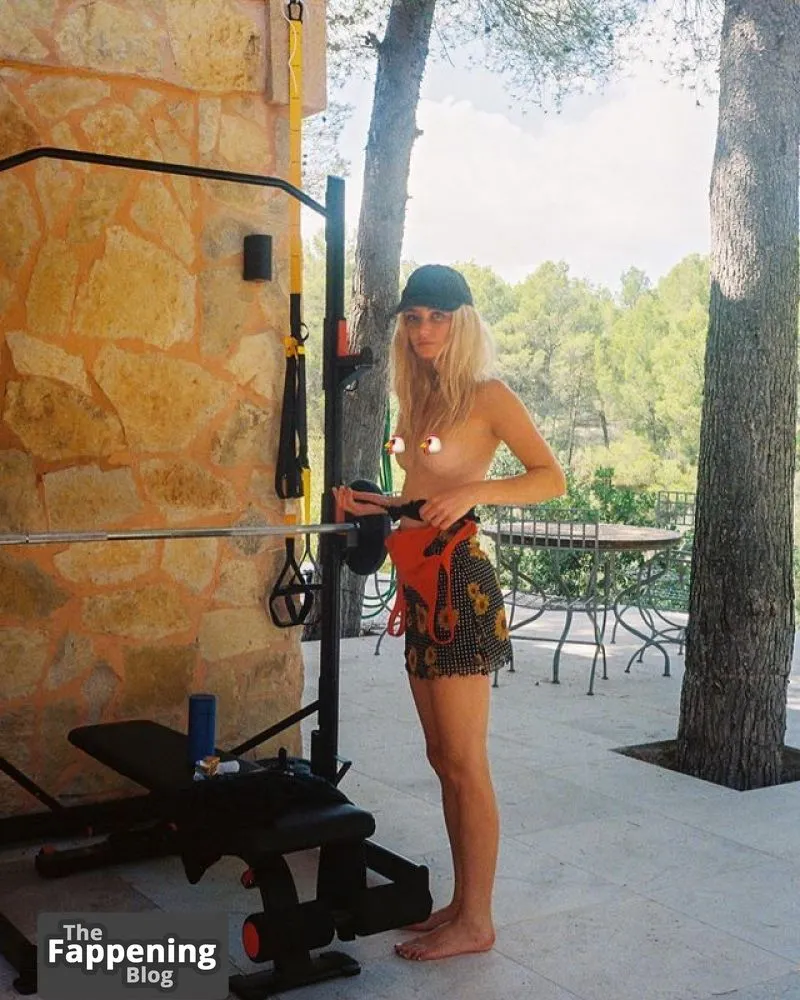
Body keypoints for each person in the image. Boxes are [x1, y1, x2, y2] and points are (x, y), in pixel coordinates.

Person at [333, 264, 565, 962]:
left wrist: (475, 493)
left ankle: (479, 920)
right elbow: (424, 494)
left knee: (465, 760)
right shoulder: (419, 396)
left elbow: (550, 478)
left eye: (437, 316)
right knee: (442, 758)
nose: (423, 329)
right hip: (419, 582)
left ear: (462, 322)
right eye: (413, 317)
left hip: (460, 582)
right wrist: (376, 503)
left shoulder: (488, 395)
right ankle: (463, 905)